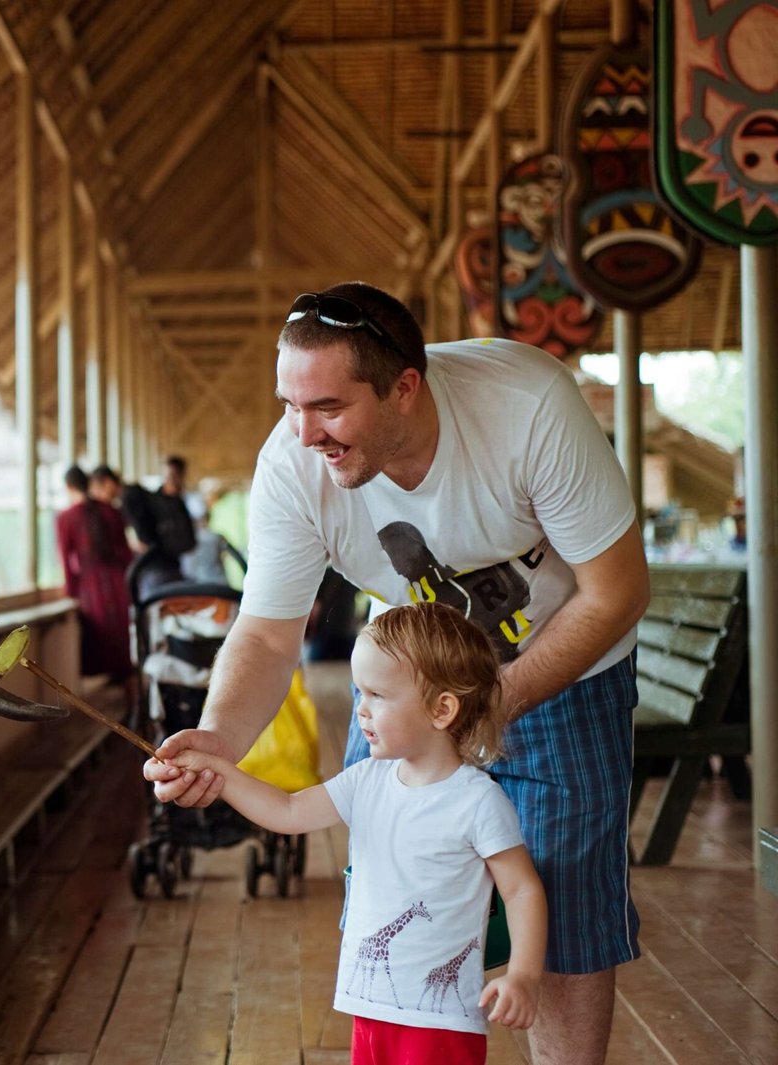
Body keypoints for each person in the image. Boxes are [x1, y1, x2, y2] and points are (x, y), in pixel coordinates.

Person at [145, 282, 649, 1065]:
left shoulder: (528, 406)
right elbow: (270, 634)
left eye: (328, 408)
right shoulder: (293, 463)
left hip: (565, 666)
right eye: (288, 404)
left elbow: (616, 593)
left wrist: (492, 704)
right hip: (408, 689)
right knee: (391, 891)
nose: (303, 432)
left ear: (404, 387)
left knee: (566, 911)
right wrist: (218, 738)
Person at [165, 602, 547, 1065]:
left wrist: (523, 975)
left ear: (442, 709)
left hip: (439, 1020)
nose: (361, 711)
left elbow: (522, 889)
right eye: (359, 693)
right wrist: (218, 770)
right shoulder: (366, 779)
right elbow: (287, 811)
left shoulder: (478, 801)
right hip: (369, 1007)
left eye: (378, 696)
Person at [55, 465, 134, 684]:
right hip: (118, 587)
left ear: (69, 487)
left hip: (91, 590)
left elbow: (66, 561)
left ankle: (120, 702)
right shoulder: (111, 511)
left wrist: (71, 592)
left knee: (102, 648)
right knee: (122, 648)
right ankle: (131, 699)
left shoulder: (66, 518)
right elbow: (126, 553)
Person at [121, 455, 198, 597]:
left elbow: (189, 542)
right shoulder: (151, 502)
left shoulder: (180, 504)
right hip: (154, 571)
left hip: (175, 568)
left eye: (175, 475)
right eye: (168, 475)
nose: (171, 480)